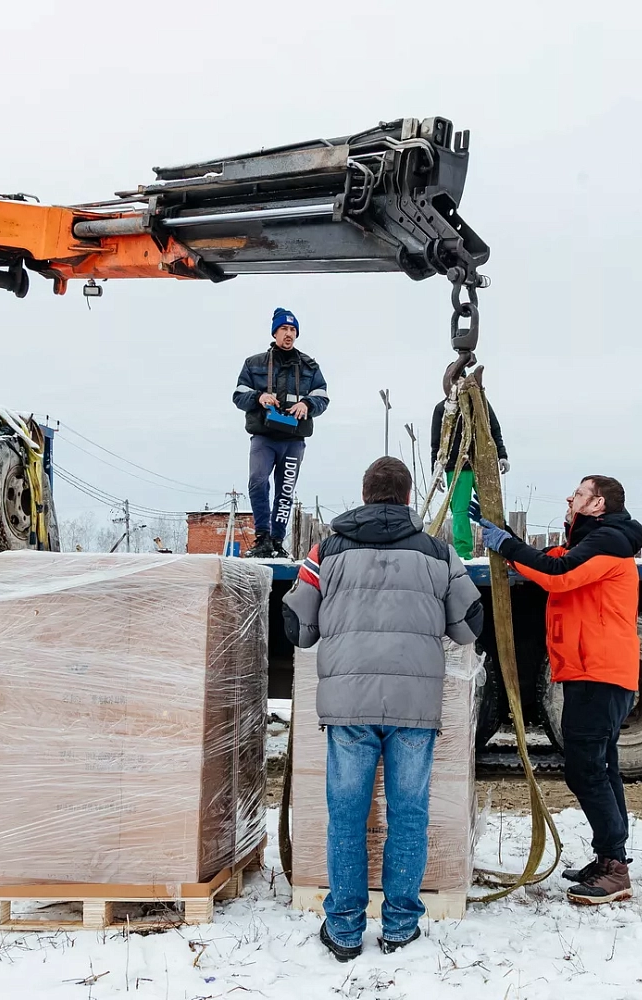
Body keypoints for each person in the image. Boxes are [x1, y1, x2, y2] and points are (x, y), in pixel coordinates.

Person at [283, 457, 484, 961]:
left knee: (346, 817)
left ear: (366, 493)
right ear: (408, 496)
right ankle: (399, 927)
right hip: (414, 707)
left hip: (348, 706)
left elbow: (297, 627)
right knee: (409, 816)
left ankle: (346, 930)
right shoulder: (438, 551)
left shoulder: (325, 549)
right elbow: (469, 623)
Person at [477, 475, 642, 905]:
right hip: (593, 672)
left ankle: (615, 867)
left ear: (598, 504)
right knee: (601, 767)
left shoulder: (608, 541)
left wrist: (506, 546)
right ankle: (611, 858)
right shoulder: (594, 541)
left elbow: (556, 573)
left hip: (599, 673)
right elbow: (549, 558)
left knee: (585, 769)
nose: (570, 497)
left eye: (580, 493)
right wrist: (508, 538)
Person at [233, 308, 328, 558]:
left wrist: (307, 404)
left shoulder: (309, 365)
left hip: (294, 440)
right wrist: (259, 396)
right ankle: (262, 537)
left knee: (285, 491)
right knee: (257, 481)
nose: (289, 334)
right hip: (264, 437)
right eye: (284, 329)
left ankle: (276, 540)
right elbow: (239, 396)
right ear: (275, 332)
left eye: (293, 330)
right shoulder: (254, 364)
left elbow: (322, 396)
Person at [430, 394, 509, 560]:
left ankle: (505, 547)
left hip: (483, 464)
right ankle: (464, 556)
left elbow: (494, 429)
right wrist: (436, 471)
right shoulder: (442, 408)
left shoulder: (480, 403)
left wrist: (502, 455)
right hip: (456, 466)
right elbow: (436, 443)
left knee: (493, 507)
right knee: (460, 511)